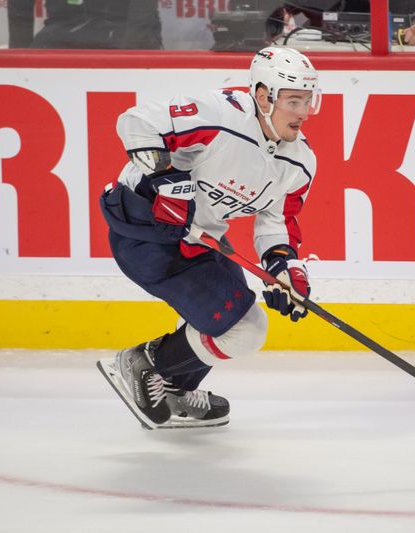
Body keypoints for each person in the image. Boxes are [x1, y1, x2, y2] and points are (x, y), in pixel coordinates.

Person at [97, 47, 320, 428]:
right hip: (146, 231)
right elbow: (135, 122)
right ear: (264, 96)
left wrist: (285, 268)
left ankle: (173, 387)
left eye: (308, 100)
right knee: (237, 325)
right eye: (293, 99)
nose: (303, 111)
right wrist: (165, 182)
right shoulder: (219, 113)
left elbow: (276, 222)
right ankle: (143, 363)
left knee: (245, 329)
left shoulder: (299, 162)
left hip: (198, 241)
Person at [7, 0, 162, 49]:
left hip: (121, 32)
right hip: (61, 32)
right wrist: (18, 57)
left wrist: (132, 54)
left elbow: (143, 11)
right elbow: (19, 7)